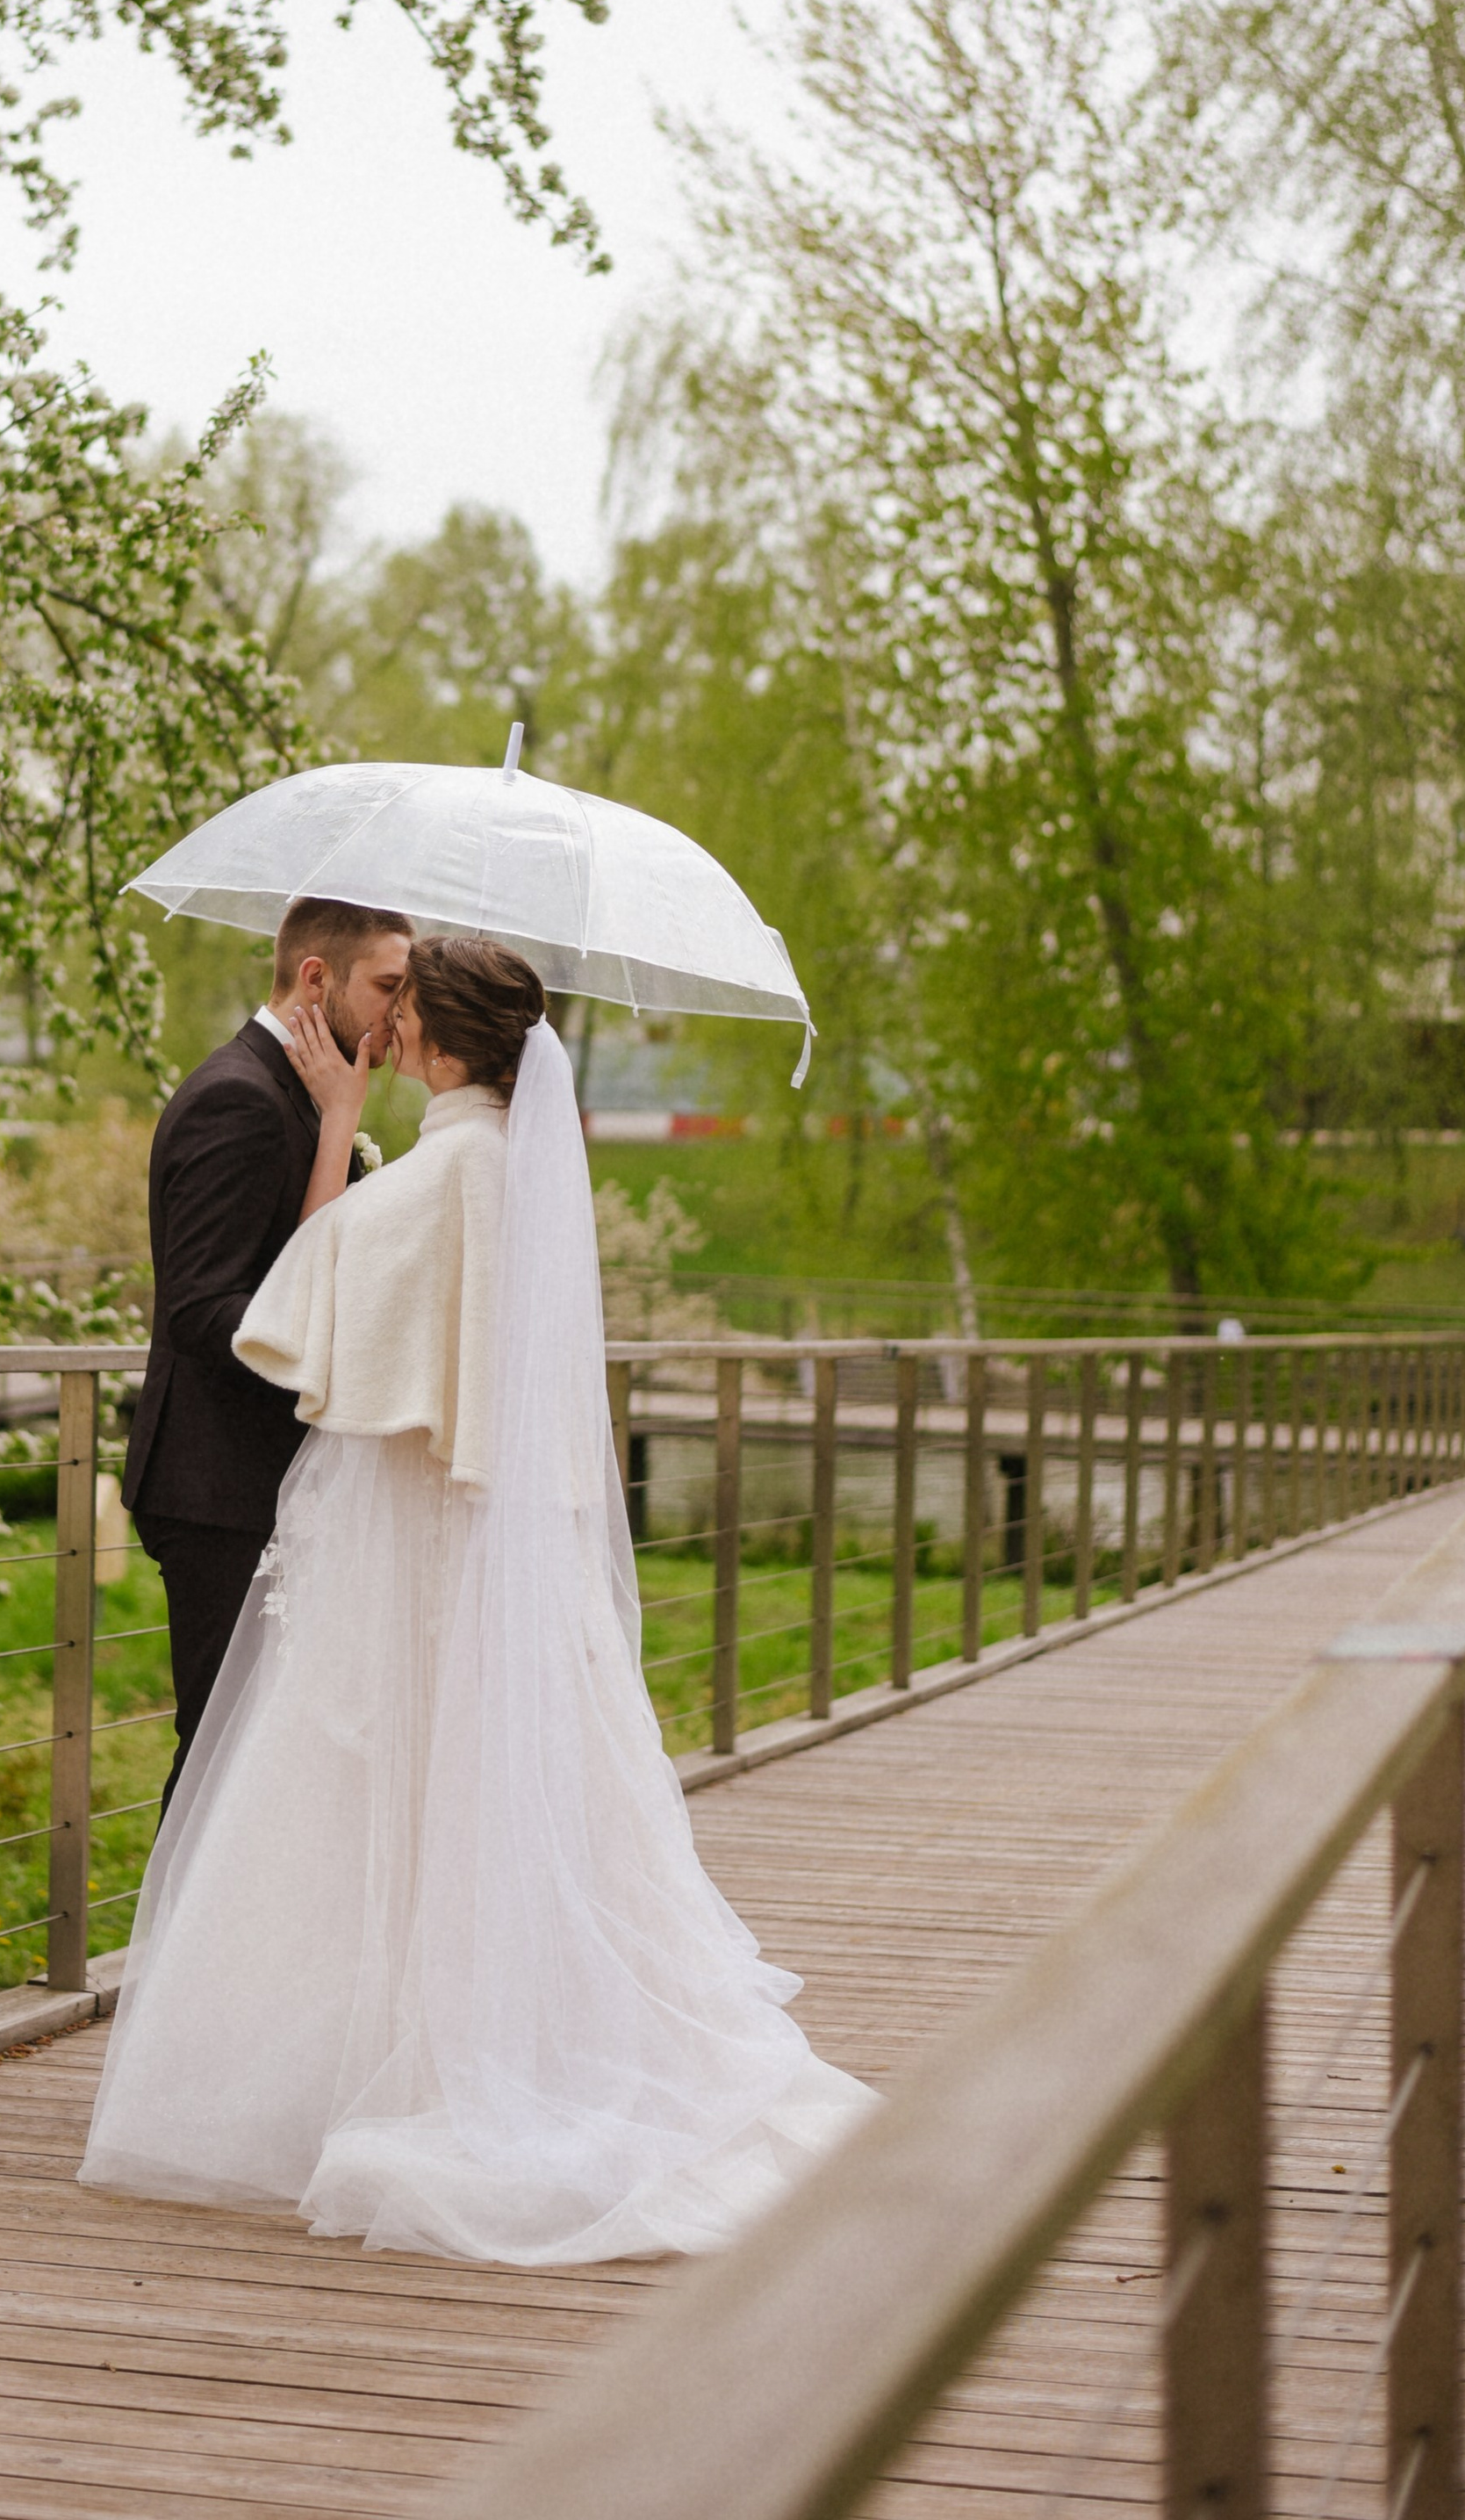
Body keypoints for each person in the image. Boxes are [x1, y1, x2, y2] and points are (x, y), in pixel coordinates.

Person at [82, 933, 876, 2266]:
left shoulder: (439, 1169)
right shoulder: (519, 1174)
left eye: (404, 1009)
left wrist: (339, 1125)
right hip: (495, 1547)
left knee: (372, 1792)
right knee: (488, 1797)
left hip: (407, 1551)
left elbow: (297, 1300)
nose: (384, 1028)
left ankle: (383, 2059)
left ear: (441, 1042)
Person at [122, 895, 411, 1812]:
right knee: (221, 1755)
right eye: (387, 988)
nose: (398, 1016)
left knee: (264, 1756)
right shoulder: (237, 1101)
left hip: (264, 1483)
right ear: (315, 978)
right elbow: (206, 1311)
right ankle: (171, 1960)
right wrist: (333, 1352)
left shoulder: (301, 1096)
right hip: (218, 1490)